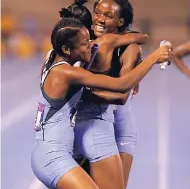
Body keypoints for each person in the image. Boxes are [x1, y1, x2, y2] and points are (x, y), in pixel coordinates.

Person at [31, 17, 172, 189]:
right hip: (51, 157)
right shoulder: (65, 72)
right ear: (66, 49)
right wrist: (154, 57)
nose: (91, 45)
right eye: (84, 44)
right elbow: (122, 85)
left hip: (58, 153)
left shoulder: (53, 60)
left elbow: (117, 93)